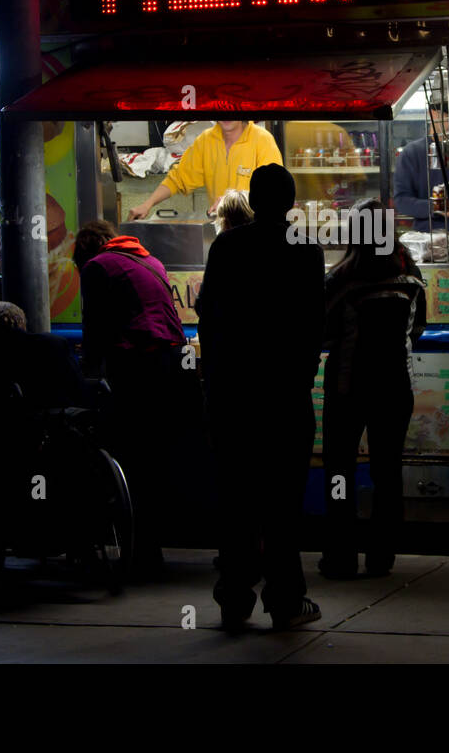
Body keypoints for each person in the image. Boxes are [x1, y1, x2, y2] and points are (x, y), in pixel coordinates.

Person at [196, 163, 325, 630]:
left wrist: (215, 384)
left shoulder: (227, 246)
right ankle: (286, 599)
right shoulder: (305, 251)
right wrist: (302, 376)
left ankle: (234, 598)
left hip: (234, 397)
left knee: (236, 501)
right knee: (283, 504)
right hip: (286, 397)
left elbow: (209, 318)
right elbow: (315, 325)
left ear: (253, 200)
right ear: (290, 202)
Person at [319, 199, 427, 579]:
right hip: (397, 386)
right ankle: (382, 556)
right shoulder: (410, 274)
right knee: (387, 471)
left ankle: (340, 556)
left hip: (348, 387)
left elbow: (322, 331)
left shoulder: (341, 280)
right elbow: (417, 329)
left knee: (339, 471)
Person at [74, 220, 186, 578]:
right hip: (172, 367)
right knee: (155, 459)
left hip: (138, 366)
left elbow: (94, 327)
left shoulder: (97, 267)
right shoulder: (149, 259)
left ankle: (138, 551)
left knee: (130, 458)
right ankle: (151, 547)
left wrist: (85, 375)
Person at [128, 120, 282, 220]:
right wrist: (147, 204)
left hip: (256, 231)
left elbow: (273, 191)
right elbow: (178, 178)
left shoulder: (262, 139)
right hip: (221, 228)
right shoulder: (205, 140)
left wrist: (231, 201)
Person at [393, 101, 449, 233]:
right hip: (427, 236)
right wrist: (438, 208)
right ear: (432, 114)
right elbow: (402, 201)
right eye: (448, 116)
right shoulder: (412, 153)